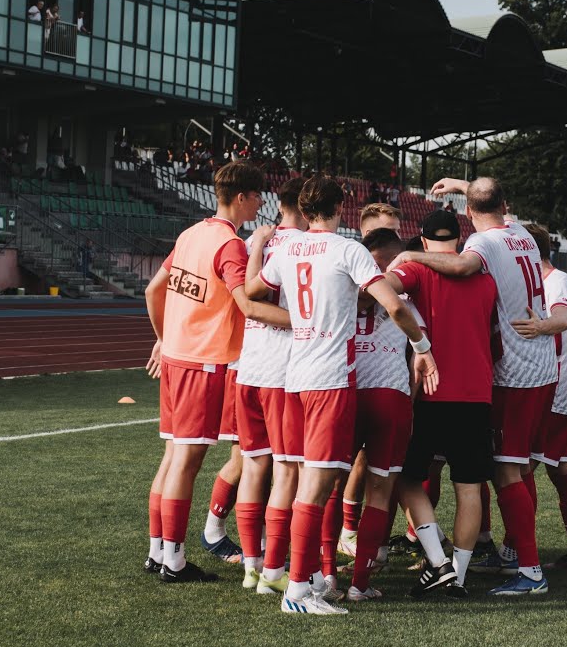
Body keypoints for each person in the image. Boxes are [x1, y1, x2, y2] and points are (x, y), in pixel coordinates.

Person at [243, 175, 438, 615]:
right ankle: (297, 592)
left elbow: (254, 291)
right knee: (317, 486)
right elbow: (393, 305)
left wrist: (257, 247)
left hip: (294, 377)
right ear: (341, 206)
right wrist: (423, 348)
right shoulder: (348, 249)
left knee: (303, 482)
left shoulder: (289, 249)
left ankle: (303, 574)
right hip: (331, 380)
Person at [388, 176, 557, 596]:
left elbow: (447, 270)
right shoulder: (518, 234)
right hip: (500, 382)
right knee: (480, 482)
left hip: (482, 382)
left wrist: (404, 257)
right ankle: (460, 574)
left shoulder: (467, 257)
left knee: (495, 473)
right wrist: (468, 186)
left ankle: (516, 568)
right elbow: (488, 204)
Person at [141, 161, 290, 584]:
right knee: (186, 461)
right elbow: (246, 304)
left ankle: (158, 552)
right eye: (258, 194)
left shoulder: (191, 233)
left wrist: (164, 336)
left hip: (176, 357)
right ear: (241, 197)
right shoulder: (230, 246)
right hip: (201, 363)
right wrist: (304, 322)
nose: (262, 202)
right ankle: (174, 561)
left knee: (172, 457)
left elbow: (155, 289)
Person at [380, 209, 499, 598]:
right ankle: (459, 577)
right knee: (469, 488)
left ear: (425, 242)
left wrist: (402, 261)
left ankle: (438, 562)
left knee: (410, 479)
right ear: (459, 241)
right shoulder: (485, 281)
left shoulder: (418, 272)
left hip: (432, 393)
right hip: (477, 395)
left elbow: (383, 285)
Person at [342, 228, 430, 600]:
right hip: (389, 396)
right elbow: (418, 363)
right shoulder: (405, 295)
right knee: (380, 489)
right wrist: (408, 404)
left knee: (327, 483)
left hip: (343, 393)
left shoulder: (341, 288)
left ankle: (326, 576)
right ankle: (360, 584)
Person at [233, 176, 309, 595]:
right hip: (284, 371)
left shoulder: (252, 242)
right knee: (286, 471)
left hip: (247, 367)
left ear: (279, 205)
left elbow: (245, 295)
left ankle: (250, 566)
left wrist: (259, 244)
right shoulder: (304, 247)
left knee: (254, 465)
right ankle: (274, 573)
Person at [512, 224, 567, 570]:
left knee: (520, 466)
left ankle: (515, 549)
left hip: (555, 388)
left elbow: (560, 319)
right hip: (558, 384)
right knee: (560, 468)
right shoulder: (544, 280)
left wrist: (538, 327)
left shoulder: (556, 282)